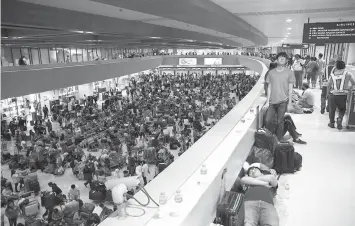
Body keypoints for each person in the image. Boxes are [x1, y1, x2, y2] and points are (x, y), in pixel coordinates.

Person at [264, 52, 295, 140]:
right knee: (267, 120)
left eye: (284, 58)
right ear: (276, 60)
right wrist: (267, 101)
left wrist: (289, 103)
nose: (282, 59)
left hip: (283, 102)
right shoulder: (271, 73)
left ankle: (278, 140)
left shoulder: (289, 73)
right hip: (272, 102)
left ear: (286, 61)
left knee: (279, 121)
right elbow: (269, 88)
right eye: (280, 57)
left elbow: (290, 89)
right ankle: (270, 138)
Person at [327, 60, 355, 129]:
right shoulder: (348, 74)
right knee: (342, 109)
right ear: (344, 66)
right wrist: (349, 88)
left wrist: (328, 93)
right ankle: (340, 118)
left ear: (336, 66)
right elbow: (354, 83)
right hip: (343, 95)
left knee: (332, 109)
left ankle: (332, 123)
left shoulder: (332, 74)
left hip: (333, 94)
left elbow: (328, 85)